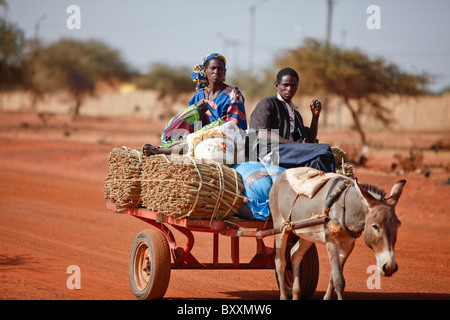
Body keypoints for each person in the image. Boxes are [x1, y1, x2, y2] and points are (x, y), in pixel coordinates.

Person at [143, 53, 247, 156]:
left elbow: (234, 126)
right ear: (205, 71)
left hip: (224, 138)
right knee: (193, 112)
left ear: (224, 72)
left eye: (220, 69)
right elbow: (195, 125)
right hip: (199, 137)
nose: (216, 72)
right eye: (213, 68)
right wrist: (200, 113)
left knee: (210, 131)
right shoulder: (199, 96)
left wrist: (211, 122)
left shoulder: (233, 95)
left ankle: (167, 151)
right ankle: (171, 146)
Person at [249, 67, 335, 172]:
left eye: (293, 85)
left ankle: (324, 186)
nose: (289, 89)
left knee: (318, 160)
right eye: (285, 85)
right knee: (324, 149)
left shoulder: (295, 113)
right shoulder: (269, 103)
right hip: (270, 153)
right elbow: (262, 134)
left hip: (290, 153)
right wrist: (292, 144)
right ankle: (335, 187)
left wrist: (315, 116)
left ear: (297, 87)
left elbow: (310, 140)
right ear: (277, 85)